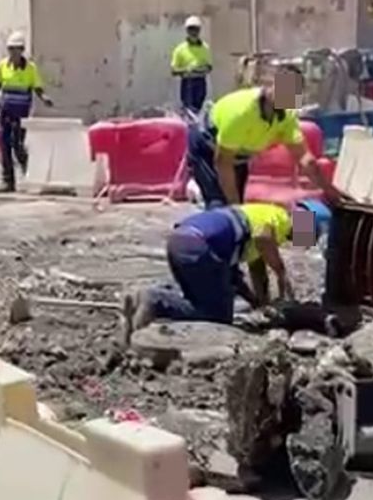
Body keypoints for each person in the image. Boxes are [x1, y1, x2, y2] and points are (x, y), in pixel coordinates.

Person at [126, 200, 323, 331]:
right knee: (218, 317)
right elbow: (264, 238)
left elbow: (246, 272)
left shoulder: (260, 213)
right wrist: (280, 272)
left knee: (198, 298)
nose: (305, 244)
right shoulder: (280, 219)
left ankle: (150, 297)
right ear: (306, 226)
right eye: (309, 238)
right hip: (200, 248)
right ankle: (155, 300)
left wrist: (259, 303)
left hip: (182, 240)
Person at [187, 66, 346, 207]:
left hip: (239, 155)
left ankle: (238, 228)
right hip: (207, 146)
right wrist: (235, 209)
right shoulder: (243, 112)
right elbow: (223, 162)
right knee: (223, 207)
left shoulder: (286, 116)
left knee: (240, 211)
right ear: (272, 85)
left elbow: (306, 160)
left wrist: (331, 193)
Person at [0, 31, 52, 192]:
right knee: (4, 143)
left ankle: (29, 173)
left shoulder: (30, 69)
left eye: (15, 49)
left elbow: (37, 88)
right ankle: (7, 180)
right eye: (10, 49)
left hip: (21, 112)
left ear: (21, 50)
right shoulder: (3, 65)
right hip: (5, 111)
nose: (12, 52)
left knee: (18, 145)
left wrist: (44, 98)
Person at [171, 16, 213, 113]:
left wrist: (200, 69)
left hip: (200, 82)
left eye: (196, 29)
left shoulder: (205, 47)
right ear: (187, 31)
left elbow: (209, 67)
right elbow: (174, 70)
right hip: (187, 82)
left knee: (199, 108)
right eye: (191, 29)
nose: (193, 32)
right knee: (188, 110)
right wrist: (187, 70)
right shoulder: (180, 49)